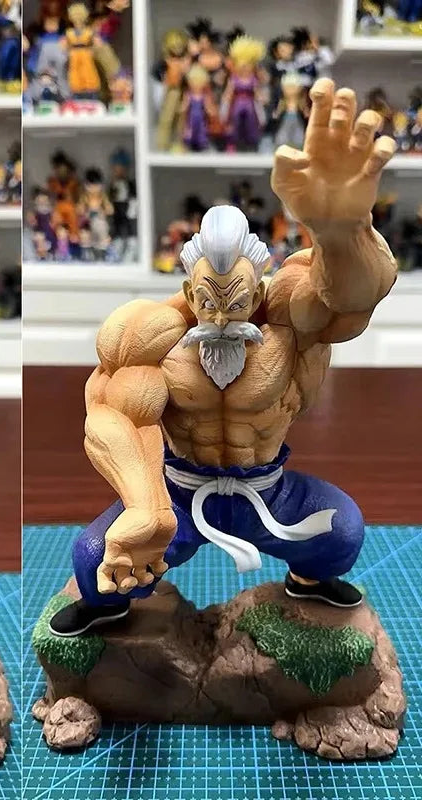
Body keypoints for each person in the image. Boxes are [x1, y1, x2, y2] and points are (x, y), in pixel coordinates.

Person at [50, 79, 399, 636]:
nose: (218, 318)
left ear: (257, 292)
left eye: (234, 303)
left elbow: (350, 299)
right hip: (178, 498)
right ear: (189, 293)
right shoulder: (152, 337)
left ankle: (308, 583)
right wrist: (142, 505)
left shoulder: (288, 320)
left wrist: (342, 233)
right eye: (207, 302)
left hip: (268, 491)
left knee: (343, 533)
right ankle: (108, 612)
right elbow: (113, 415)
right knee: (95, 561)